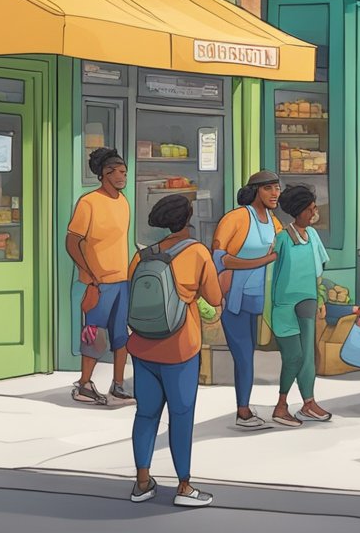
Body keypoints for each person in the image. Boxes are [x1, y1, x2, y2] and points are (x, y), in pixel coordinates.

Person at [127, 194, 220, 508]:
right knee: (181, 416)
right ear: (188, 218)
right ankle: (184, 486)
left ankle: (142, 482)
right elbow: (214, 296)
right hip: (180, 348)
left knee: (145, 413)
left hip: (142, 347)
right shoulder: (197, 252)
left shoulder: (142, 256)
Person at [211, 171, 284, 430]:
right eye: (269, 188)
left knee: (250, 351)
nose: (275, 193)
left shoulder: (274, 222)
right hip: (235, 297)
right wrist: (263, 260)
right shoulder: (237, 218)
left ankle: (249, 405)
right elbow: (219, 258)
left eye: (277, 187)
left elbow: (282, 251)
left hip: (260, 299)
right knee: (243, 356)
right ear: (255, 191)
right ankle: (243, 410)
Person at [66, 147, 133, 406]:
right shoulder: (89, 202)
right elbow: (72, 241)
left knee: (121, 336)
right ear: (101, 175)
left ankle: (117, 384)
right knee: (94, 334)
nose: (119, 176)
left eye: (123, 172)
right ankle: (84, 384)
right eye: (112, 172)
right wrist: (90, 276)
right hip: (99, 282)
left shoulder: (123, 202)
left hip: (122, 280)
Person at [269, 185, 332, 427]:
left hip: (308, 300)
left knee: (308, 356)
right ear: (299, 211)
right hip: (285, 304)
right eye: (311, 209)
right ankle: (281, 405)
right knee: (293, 356)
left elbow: (319, 271)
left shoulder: (313, 236)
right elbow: (271, 274)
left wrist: (321, 298)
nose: (315, 212)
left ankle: (308, 402)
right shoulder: (283, 239)